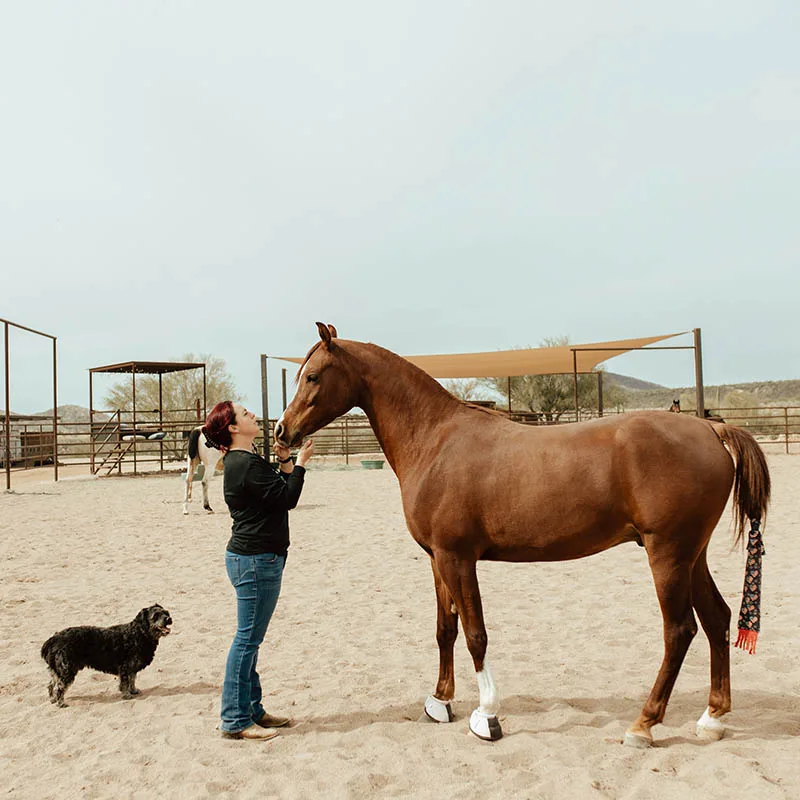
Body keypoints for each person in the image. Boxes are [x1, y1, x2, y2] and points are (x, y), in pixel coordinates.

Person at [202, 400, 314, 741]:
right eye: (244, 413)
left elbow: (276, 492)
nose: (251, 413)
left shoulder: (244, 461)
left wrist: (283, 460)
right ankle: (235, 720)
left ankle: (252, 709)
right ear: (234, 428)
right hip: (255, 560)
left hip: (253, 558)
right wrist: (301, 464)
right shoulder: (243, 464)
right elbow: (288, 497)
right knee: (247, 640)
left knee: (250, 639)